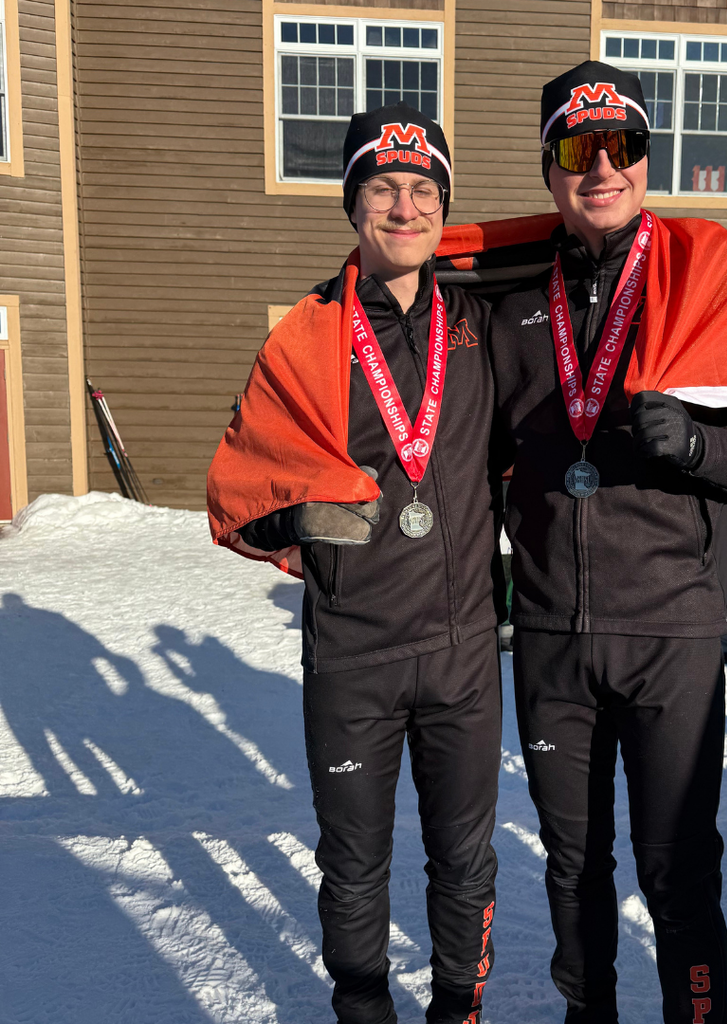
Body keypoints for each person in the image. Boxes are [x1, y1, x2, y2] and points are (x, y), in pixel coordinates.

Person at [489, 62, 727, 1024]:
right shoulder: (510, 304)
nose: (601, 167)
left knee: (676, 866)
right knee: (572, 864)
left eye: (622, 146)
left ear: (648, 157)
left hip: (672, 636)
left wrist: (699, 444)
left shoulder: (705, 278)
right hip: (555, 635)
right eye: (577, 147)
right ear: (550, 168)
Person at [207, 103, 505, 1024]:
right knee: (353, 867)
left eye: (424, 190)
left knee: (465, 862)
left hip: (461, 654)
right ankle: (363, 1010)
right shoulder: (305, 334)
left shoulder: (482, 325)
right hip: (353, 655)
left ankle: (459, 1009)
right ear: (354, 203)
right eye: (384, 188)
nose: (405, 207)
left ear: (443, 207)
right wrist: (293, 515)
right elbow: (235, 499)